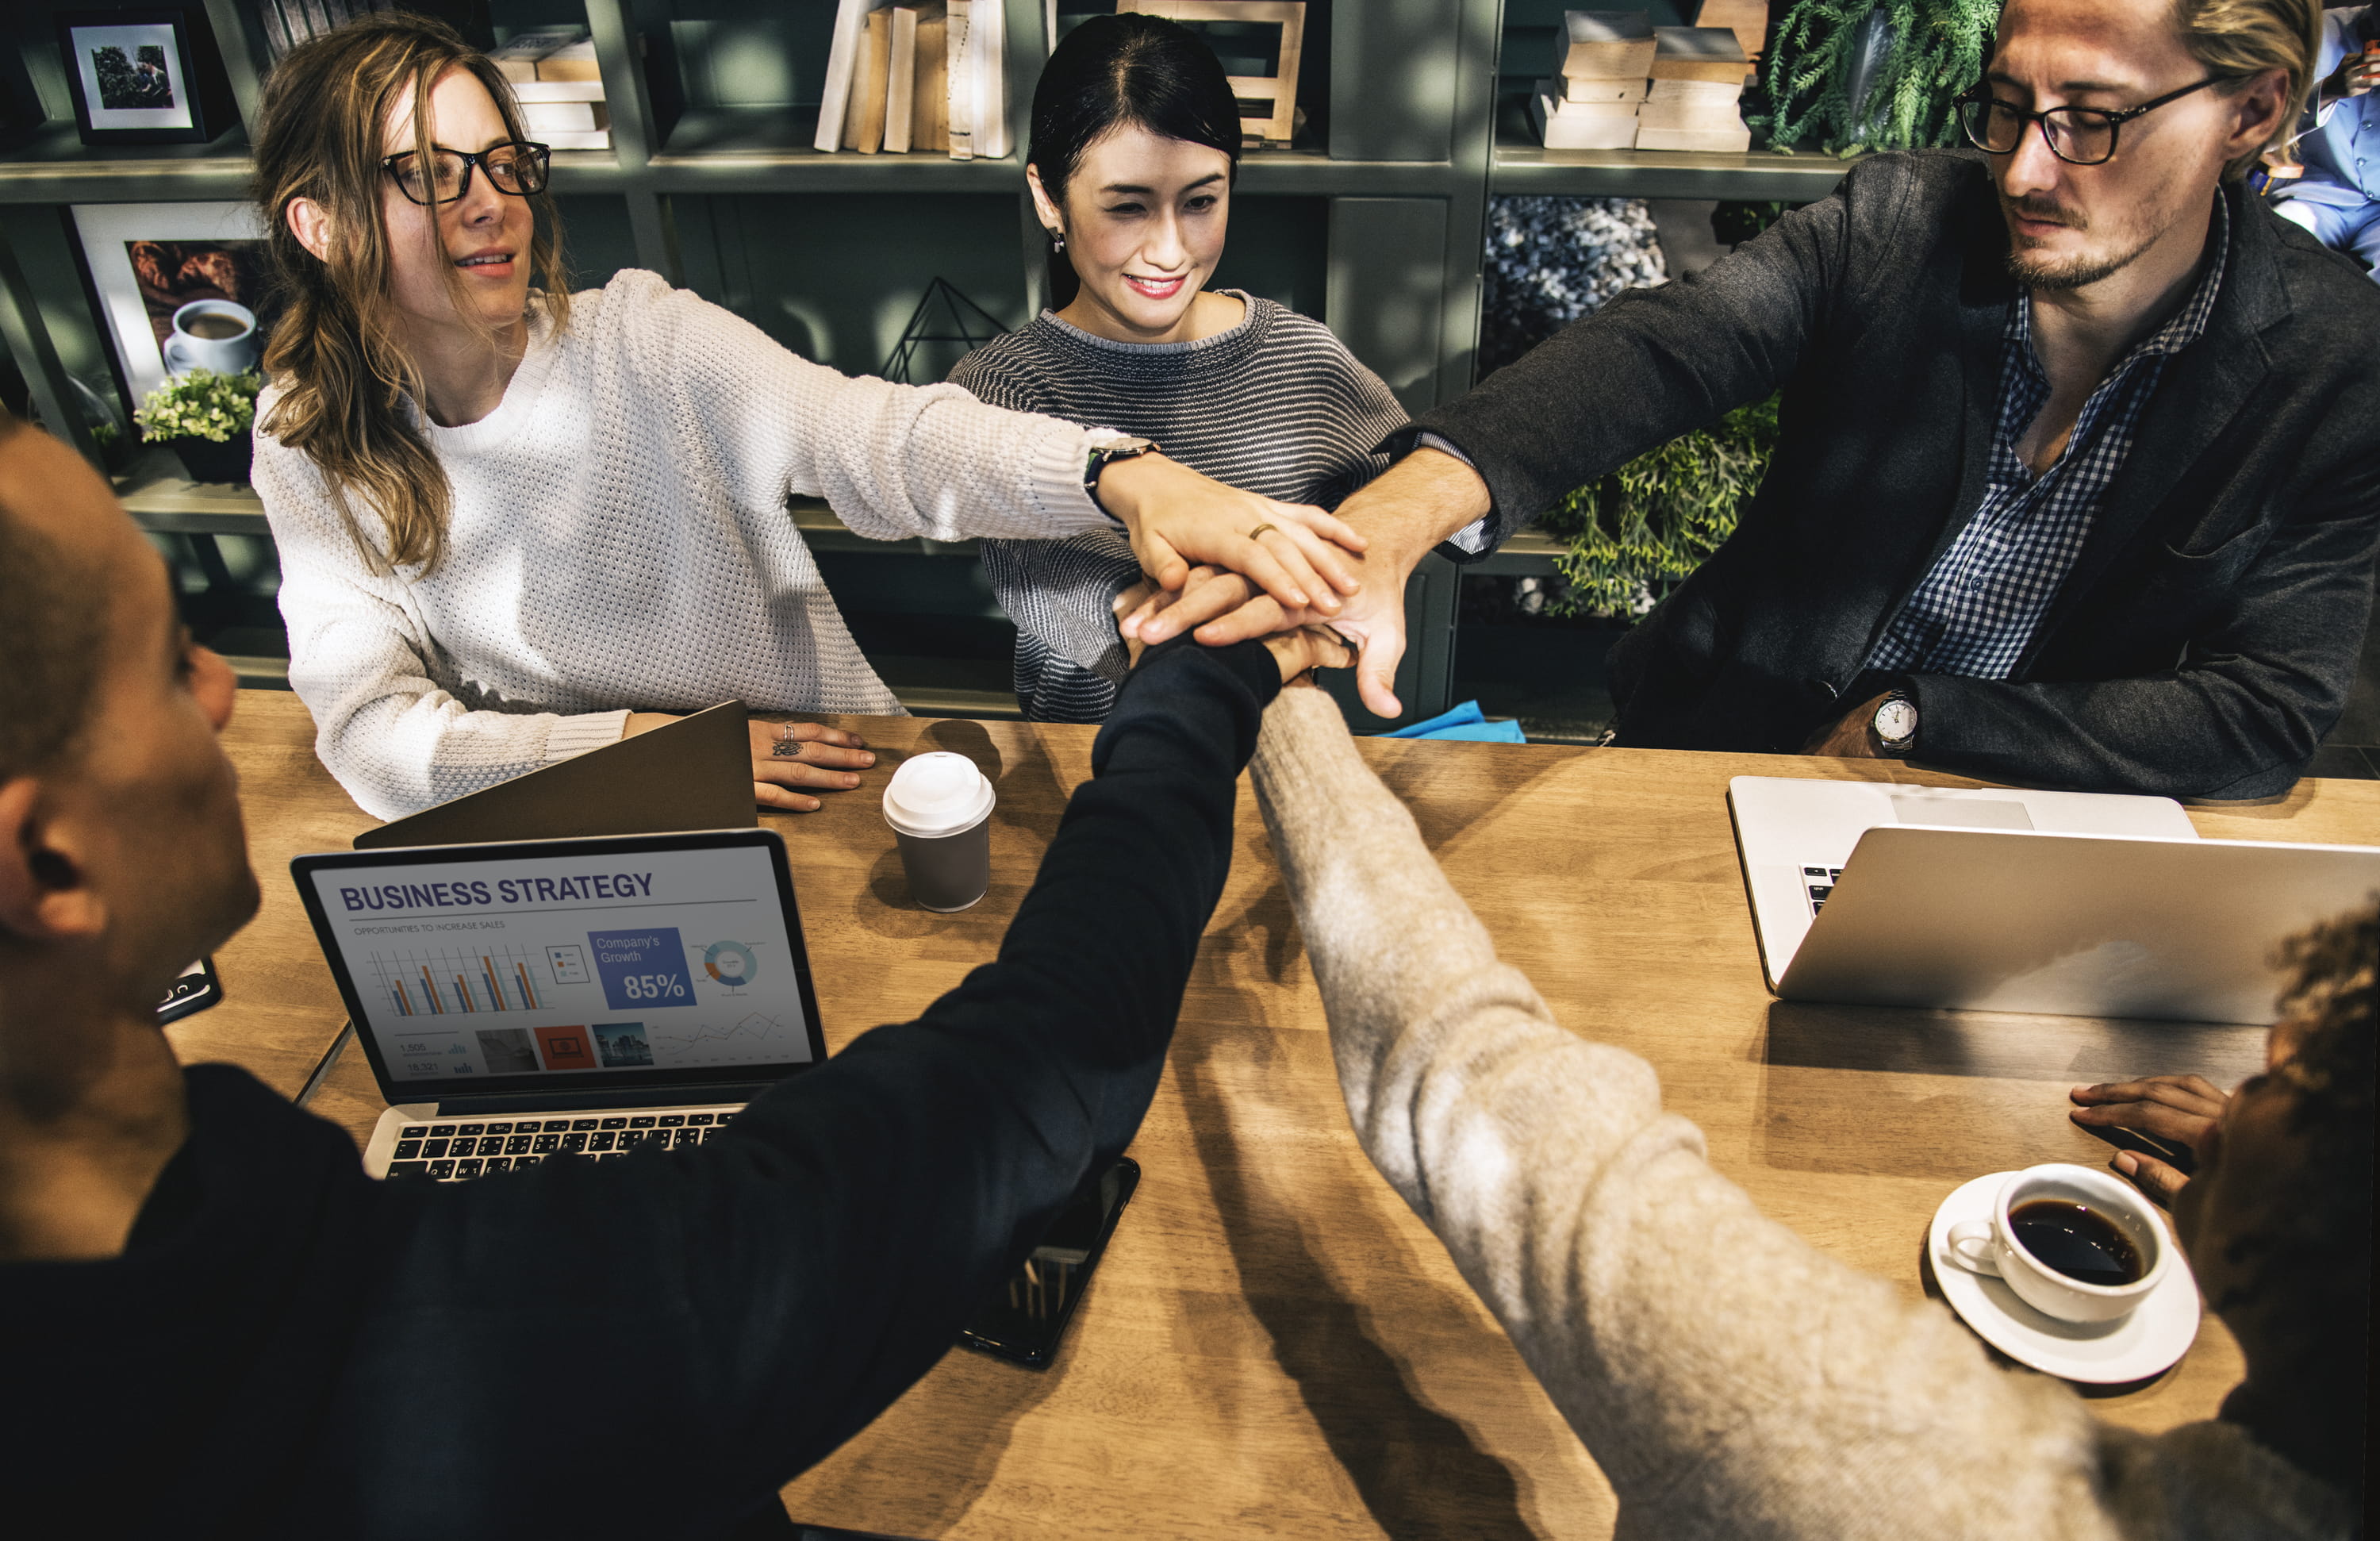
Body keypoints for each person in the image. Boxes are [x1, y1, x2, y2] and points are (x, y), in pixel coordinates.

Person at [0, 411, 1351, 1536]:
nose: (223, 688)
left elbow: (867, 426)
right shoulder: (481, 1353)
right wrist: (1192, 687)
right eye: (164, 662)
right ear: (47, 867)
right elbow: (1043, 1063)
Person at [1134, 0, 2380, 801]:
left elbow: (2268, 708)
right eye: (2007, 105)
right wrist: (1390, 527)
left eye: (2092, 122)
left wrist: (1909, 722)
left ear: (2252, 111)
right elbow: (1665, 349)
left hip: (2026, 818)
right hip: (1718, 763)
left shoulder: (2333, 358)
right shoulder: (1902, 218)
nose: (2023, 167)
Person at [1246, 677, 2370, 1535]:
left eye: (2309, 1080)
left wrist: (1283, 704)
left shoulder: (1889, 1468)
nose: (2270, 1047)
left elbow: (1476, 1090)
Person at [248, 12, 1365, 820]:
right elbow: (370, 737)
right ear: (322, 223)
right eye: (429, 174)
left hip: (824, 780)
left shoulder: (642, 334)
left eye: (502, 160)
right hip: (591, 818)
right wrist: (651, 757)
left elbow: (874, 437)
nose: (493, 200)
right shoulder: (305, 437)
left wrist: (1119, 471)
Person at [948, 12, 1407, 722]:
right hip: (1085, 760)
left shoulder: (1303, 356)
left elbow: (1400, 504)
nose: (1169, 250)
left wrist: (1340, 607)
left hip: (1281, 750)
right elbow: (1060, 581)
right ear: (1048, 197)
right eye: (1127, 207)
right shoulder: (1002, 391)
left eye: (1200, 202)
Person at [2271, 6, 2380, 278]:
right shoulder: (2316, 34)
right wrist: (2329, 91)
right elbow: (2261, 133)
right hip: (2317, 194)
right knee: (2267, 257)